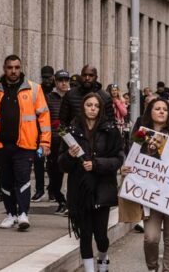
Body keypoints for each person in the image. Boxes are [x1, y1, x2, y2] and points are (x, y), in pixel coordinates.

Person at [0, 55, 51, 231]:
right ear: (4, 68)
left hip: (25, 145)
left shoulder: (34, 89)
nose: (13, 71)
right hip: (1, 145)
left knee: (23, 179)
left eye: (16, 67)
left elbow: (44, 118)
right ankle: (11, 214)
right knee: (6, 181)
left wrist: (45, 143)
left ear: (21, 68)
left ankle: (23, 213)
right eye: (10, 67)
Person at [59, 92, 124, 272]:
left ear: (101, 108)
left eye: (96, 106)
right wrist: (69, 156)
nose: (92, 109)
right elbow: (61, 164)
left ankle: (103, 257)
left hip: (102, 188)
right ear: (83, 107)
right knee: (85, 235)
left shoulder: (110, 130)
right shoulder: (71, 130)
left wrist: (96, 164)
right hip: (79, 189)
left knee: (101, 235)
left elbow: (119, 158)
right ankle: (89, 269)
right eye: (89, 105)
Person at [125, 97, 169, 271]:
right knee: (151, 238)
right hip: (151, 196)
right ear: (150, 112)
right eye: (157, 108)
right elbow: (132, 159)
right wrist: (126, 169)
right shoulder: (141, 135)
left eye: (165, 109)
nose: (162, 111)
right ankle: (152, 268)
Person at [46, 69, 71, 214]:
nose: (63, 83)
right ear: (55, 81)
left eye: (66, 80)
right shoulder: (49, 98)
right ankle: (60, 199)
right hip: (54, 140)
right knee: (54, 172)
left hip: (69, 141)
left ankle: (68, 202)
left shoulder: (72, 96)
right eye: (61, 80)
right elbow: (44, 119)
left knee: (69, 172)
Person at [32, 66, 55, 202]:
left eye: (49, 77)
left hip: (53, 131)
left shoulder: (56, 90)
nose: (47, 80)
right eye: (44, 77)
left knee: (52, 164)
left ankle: (52, 190)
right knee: (38, 162)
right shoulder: (37, 90)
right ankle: (39, 190)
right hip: (38, 132)